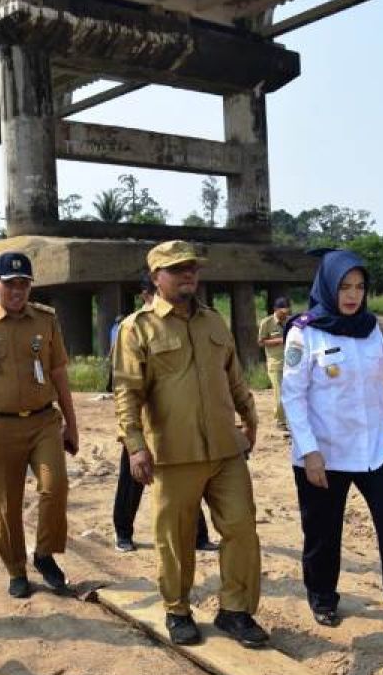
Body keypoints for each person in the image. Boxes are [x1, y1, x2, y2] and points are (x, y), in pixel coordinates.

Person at [113, 240, 268, 648]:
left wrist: (249, 417)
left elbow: (234, 376)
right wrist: (135, 445)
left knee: (240, 528)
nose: (188, 275)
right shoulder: (138, 328)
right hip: (173, 454)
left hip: (225, 449)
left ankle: (235, 610)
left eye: (192, 268)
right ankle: (177, 609)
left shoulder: (214, 323)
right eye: (177, 269)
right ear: (155, 277)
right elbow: (127, 391)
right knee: (175, 537)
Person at [282, 249, 383, 629]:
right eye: (345, 287)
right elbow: (292, 397)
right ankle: (322, 597)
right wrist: (309, 451)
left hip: (373, 448)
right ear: (329, 287)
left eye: (359, 287)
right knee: (322, 532)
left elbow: (377, 388)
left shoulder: (371, 328)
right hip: (325, 453)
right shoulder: (304, 332)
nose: (352, 295)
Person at [0, 252, 78, 599]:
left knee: (55, 487)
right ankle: (16, 569)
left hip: (44, 420)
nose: (17, 291)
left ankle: (43, 554)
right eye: (9, 284)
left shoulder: (46, 320)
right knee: (7, 504)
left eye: (23, 284)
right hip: (0, 425)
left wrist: (72, 424)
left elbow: (58, 373)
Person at [110, 272, 217, 554]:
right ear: (148, 294)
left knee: (189, 479)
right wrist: (131, 433)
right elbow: (125, 383)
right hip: (144, 419)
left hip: (175, 422)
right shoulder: (133, 327)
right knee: (132, 478)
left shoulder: (186, 323)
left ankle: (199, 535)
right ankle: (123, 531)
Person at [257, 296, 292, 431]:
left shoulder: (290, 322)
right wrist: (280, 340)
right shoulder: (267, 322)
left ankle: (288, 419)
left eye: (287, 312)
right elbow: (261, 342)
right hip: (275, 364)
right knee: (279, 394)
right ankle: (280, 421)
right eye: (282, 312)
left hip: (291, 364)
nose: (285, 315)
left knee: (291, 393)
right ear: (275, 310)